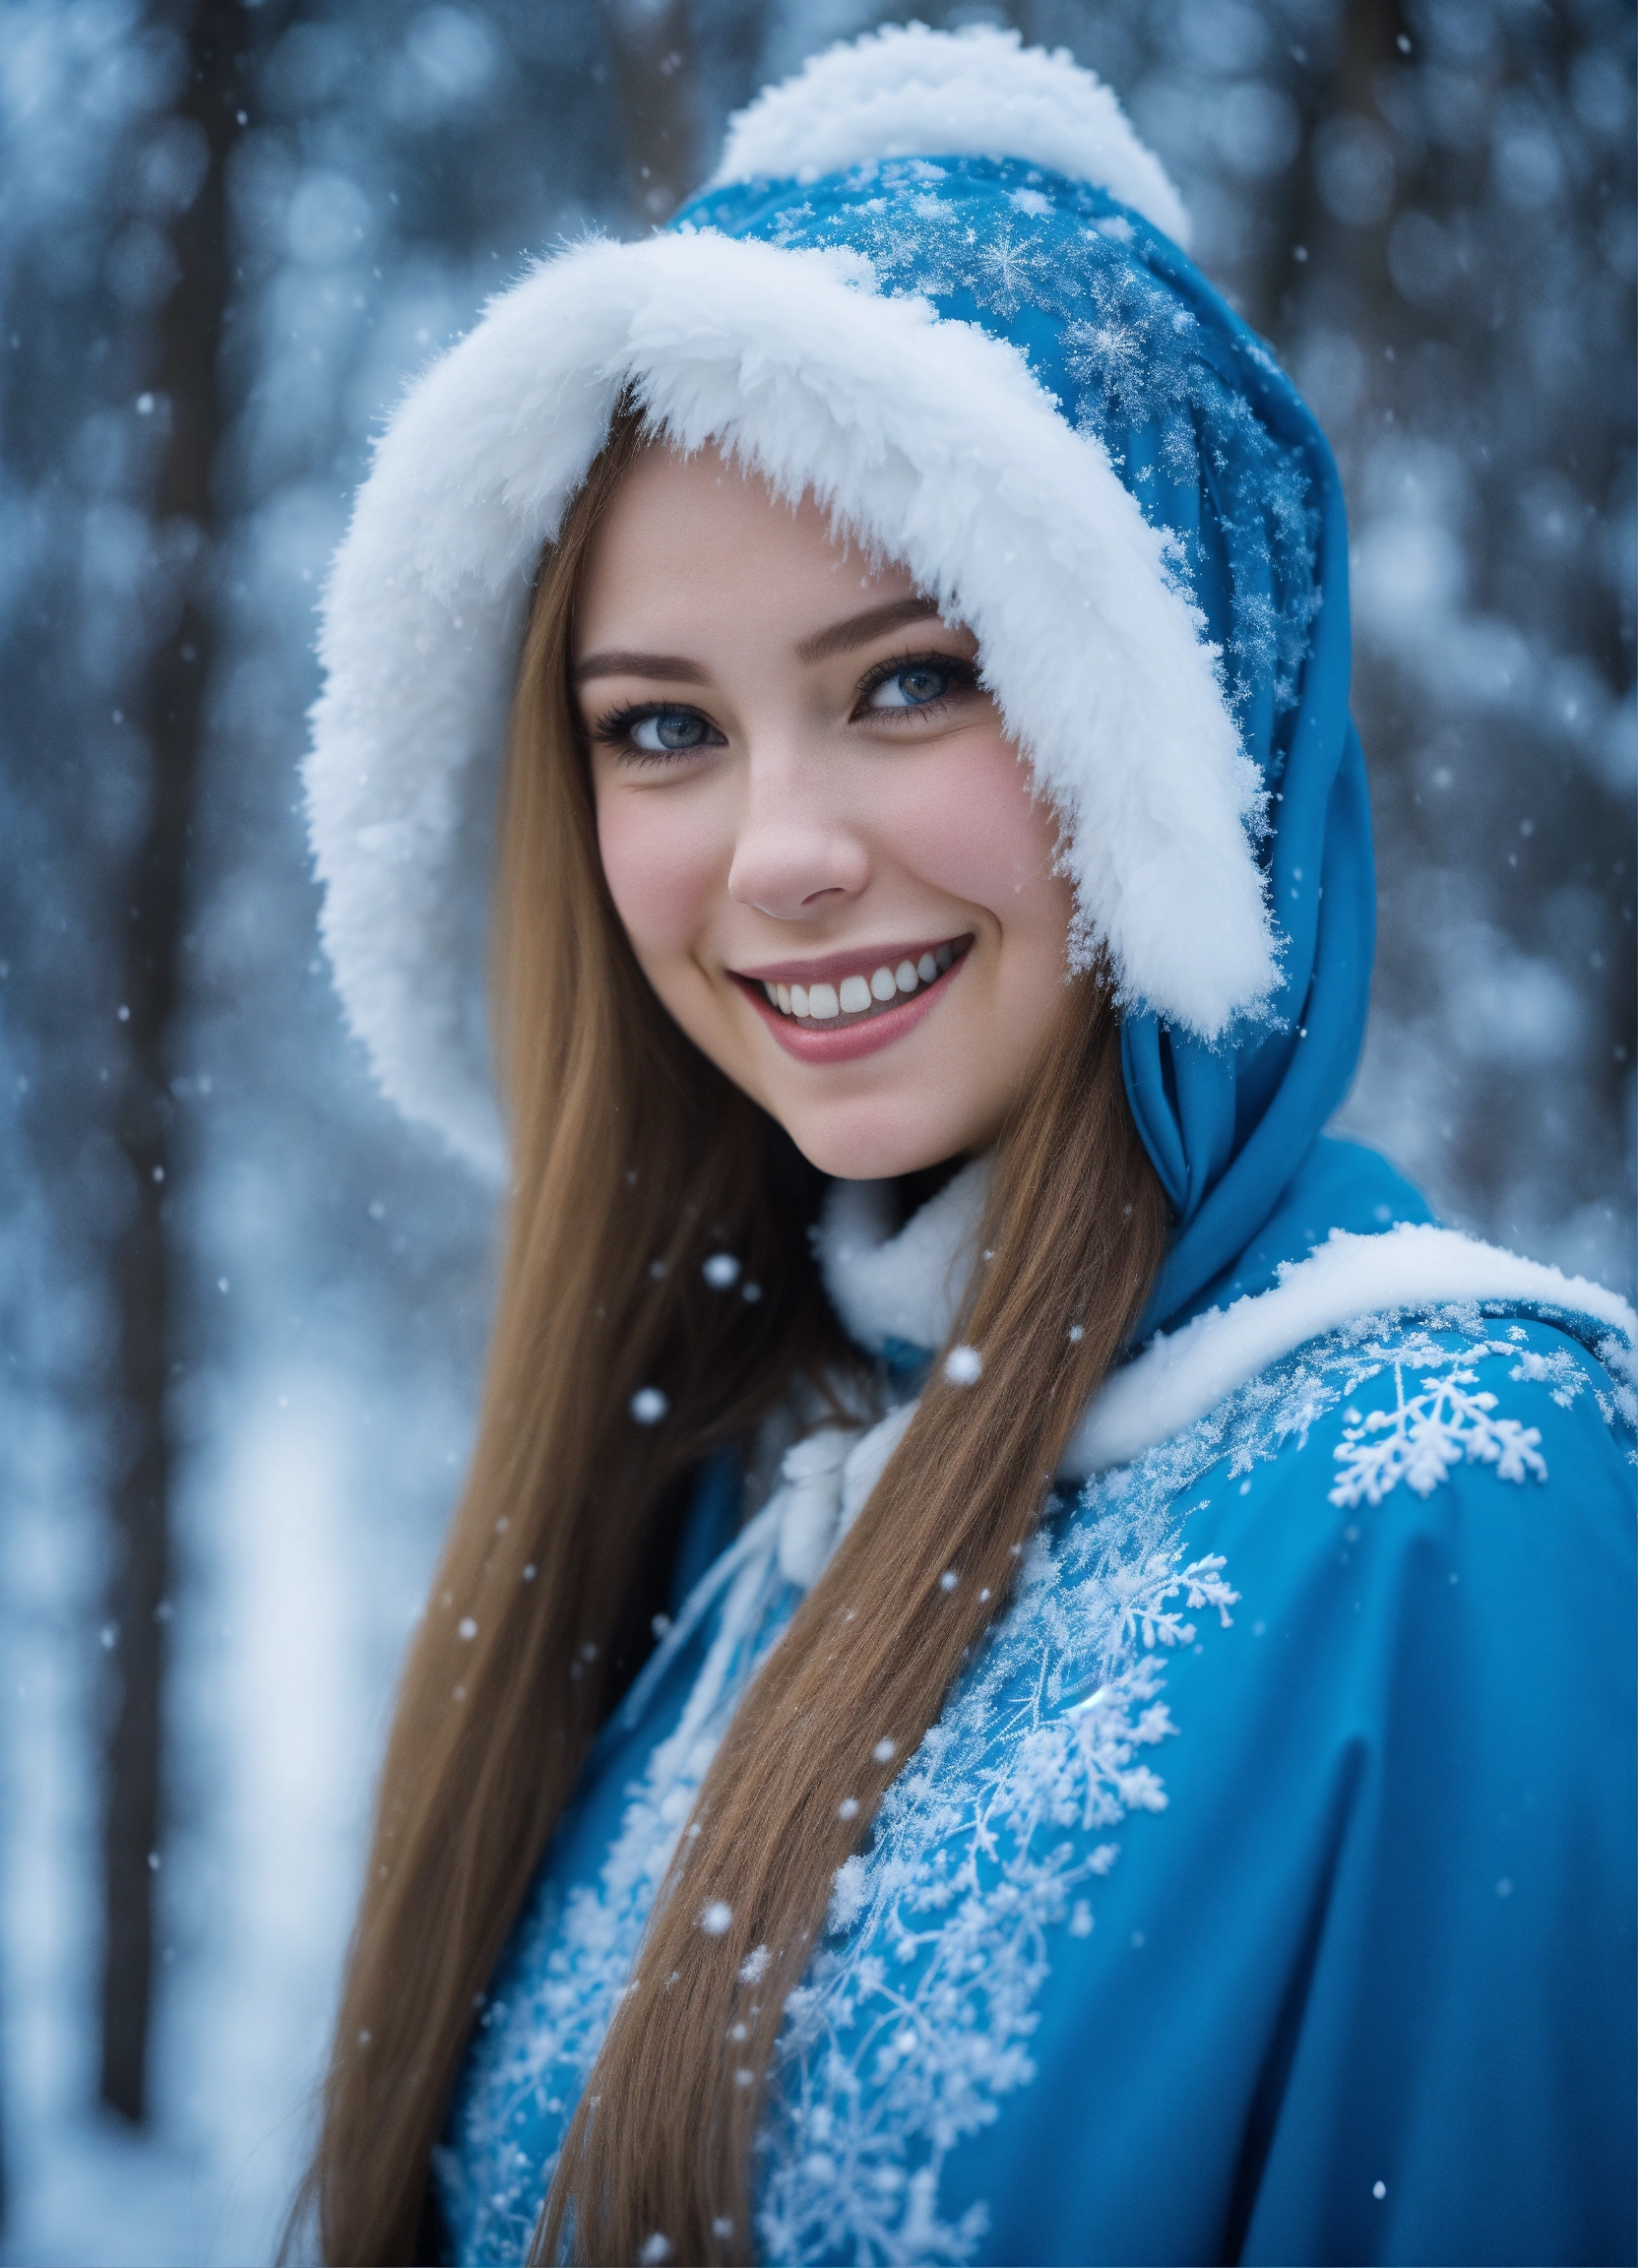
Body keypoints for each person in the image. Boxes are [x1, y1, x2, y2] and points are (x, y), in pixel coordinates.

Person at [298, 25, 1635, 2267]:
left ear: (1179, 718)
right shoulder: (737, 1484)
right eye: (661, 728)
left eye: (909, 679)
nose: (779, 854)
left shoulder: (1468, 1508)